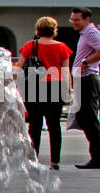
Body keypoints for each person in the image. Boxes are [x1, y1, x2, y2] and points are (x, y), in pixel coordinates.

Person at [16, 16, 73, 169]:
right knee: (54, 126)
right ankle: (55, 162)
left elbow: (19, 67)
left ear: (38, 30)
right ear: (54, 30)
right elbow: (66, 71)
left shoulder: (30, 45)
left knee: (34, 125)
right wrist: (69, 90)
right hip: (56, 86)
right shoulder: (62, 47)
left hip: (34, 87)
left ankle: (33, 160)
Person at [69, 7, 100, 169]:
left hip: (88, 79)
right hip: (86, 78)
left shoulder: (91, 32)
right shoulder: (87, 33)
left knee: (90, 119)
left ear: (87, 19)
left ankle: (99, 158)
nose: (74, 22)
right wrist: (94, 63)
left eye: (77, 19)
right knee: (86, 118)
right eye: (72, 19)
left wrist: (87, 63)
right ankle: (97, 157)